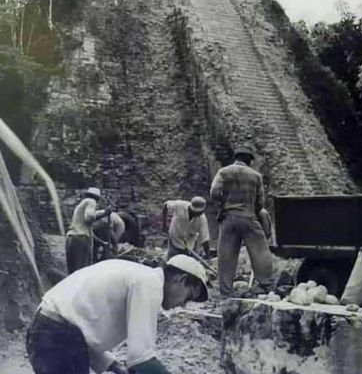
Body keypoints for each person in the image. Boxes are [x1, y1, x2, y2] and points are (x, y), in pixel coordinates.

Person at [26, 254, 208, 374]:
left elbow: (82, 326)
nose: (183, 304)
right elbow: (141, 358)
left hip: (50, 332)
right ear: (181, 279)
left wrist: (113, 366)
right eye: (188, 297)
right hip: (57, 338)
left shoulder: (137, 274)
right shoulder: (150, 282)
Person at [210, 145, 273, 297]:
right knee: (260, 250)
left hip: (228, 217)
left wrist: (223, 205)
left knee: (226, 254)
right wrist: (254, 210)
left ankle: (226, 290)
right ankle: (265, 285)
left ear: (235, 158)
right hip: (248, 216)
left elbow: (214, 192)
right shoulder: (255, 176)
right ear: (249, 161)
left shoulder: (224, 172)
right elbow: (260, 203)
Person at [66, 187, 112, 274]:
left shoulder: (80, 205)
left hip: (71, 238)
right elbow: (89, 217)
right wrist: (104, 214)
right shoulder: (91, 202)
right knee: (81, 271)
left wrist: (102, 242)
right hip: (80, 240)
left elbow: (87, 230)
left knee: (72, 272)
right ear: (97, 198)